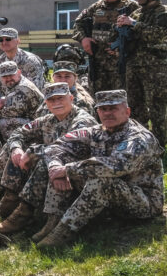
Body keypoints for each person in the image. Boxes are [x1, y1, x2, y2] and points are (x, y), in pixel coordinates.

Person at [36, 90, 165, 248]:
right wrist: (56, 166)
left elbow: (117, 166)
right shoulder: (96, 131)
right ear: (97, 112)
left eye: (113, 108)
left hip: (143, 202)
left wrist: (67, 170)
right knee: (59, 164)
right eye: (103, 109)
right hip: (112, 198)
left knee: (99, 180)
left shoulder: (138, 138)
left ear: (127, 111)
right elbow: (56, 146)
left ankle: (63, 231)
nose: (108, 113)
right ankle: (52, 221)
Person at [0, 82, 99, 234]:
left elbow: (68, 151)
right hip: (57, 170)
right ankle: (9, 198)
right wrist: (16, 149)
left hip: (80, 175)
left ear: (71, 98)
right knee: (15, 149)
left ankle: (27, 213)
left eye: (60, 98)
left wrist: (32, 152)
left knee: (44, 160)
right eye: (51, 100)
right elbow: (19, 132)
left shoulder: (82, 121)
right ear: (46, 103)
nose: (56, 103)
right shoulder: (49, 119)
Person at [116, 0, 167, 147]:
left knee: (157, 107)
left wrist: (133, 24)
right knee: (136, 106)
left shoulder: (163, 13)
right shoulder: (137, 13)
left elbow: (158, 34)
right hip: (134, 65)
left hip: (156, 68)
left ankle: (159, 144)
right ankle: (141, 142)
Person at [73, 0, 139, 94]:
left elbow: (141, 31)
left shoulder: (132, 6)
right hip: (98, 62)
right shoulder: (96, 7)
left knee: (121, 98)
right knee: (98, 97)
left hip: (122, 64)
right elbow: (78, 23)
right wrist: (83, 38)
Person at [0, 28, 46, 100]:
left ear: (18, 41)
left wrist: (9, 100)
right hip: (4, 102)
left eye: (8, 39)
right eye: (1, 40)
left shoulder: (30, 60)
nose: (4, 42)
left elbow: (35, 89)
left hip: (28, 101)